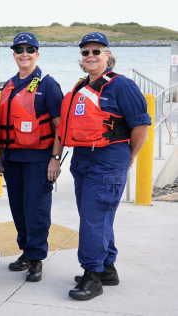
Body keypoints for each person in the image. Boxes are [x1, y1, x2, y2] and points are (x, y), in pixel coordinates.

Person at [58, 32, 151, 300]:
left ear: (107, 55)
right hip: (83, 159)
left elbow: (141, 125)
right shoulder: (81, 86)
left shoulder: (122, 86)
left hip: (108, 160)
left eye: (96, 51)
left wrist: (129, 157)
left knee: (94, 219)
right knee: (95, 218)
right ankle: (106, 267)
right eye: (85, 52)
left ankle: (92, 276)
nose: (90, 56)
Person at [0, 32, 64, 282]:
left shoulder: (48, 85)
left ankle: (36, 258)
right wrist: (0, 157)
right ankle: (26, 251)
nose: (24, 54)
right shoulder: (9, 85)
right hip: (13, 158)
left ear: (37, 54)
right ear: (13, 54)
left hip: (39, 159)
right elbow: (5, 124)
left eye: (30, 49)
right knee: (19, 210)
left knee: (36, 210)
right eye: (19, 49)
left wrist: (55, 159)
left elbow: (60, 127)